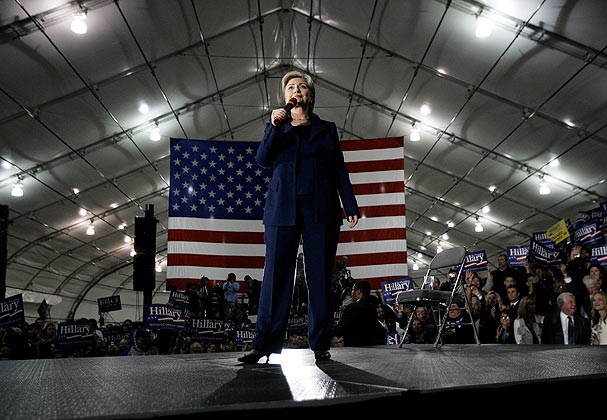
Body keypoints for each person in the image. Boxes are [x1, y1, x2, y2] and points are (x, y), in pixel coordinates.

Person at [238, 71, 360, 363]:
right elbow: (262, 159)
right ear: (285, 96)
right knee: (275, 276)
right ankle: (263, 343)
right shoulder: (277, 127)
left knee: (320, 276)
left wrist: (350, 204)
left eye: (302, 87)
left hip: (321, 209)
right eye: (291, 87)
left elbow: (339, 168)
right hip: (282, 209)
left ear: (310, 95)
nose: (296, 90)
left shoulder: (326, 129)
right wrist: (273, 126)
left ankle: (320, 342)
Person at [331, 281, 378, 347]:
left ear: (359, 291)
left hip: (353, 346)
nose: (351, 292)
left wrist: (329, 333)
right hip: (370, 344)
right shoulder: (372, 308)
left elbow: (341, 327)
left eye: (353, 290)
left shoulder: (352, 307)